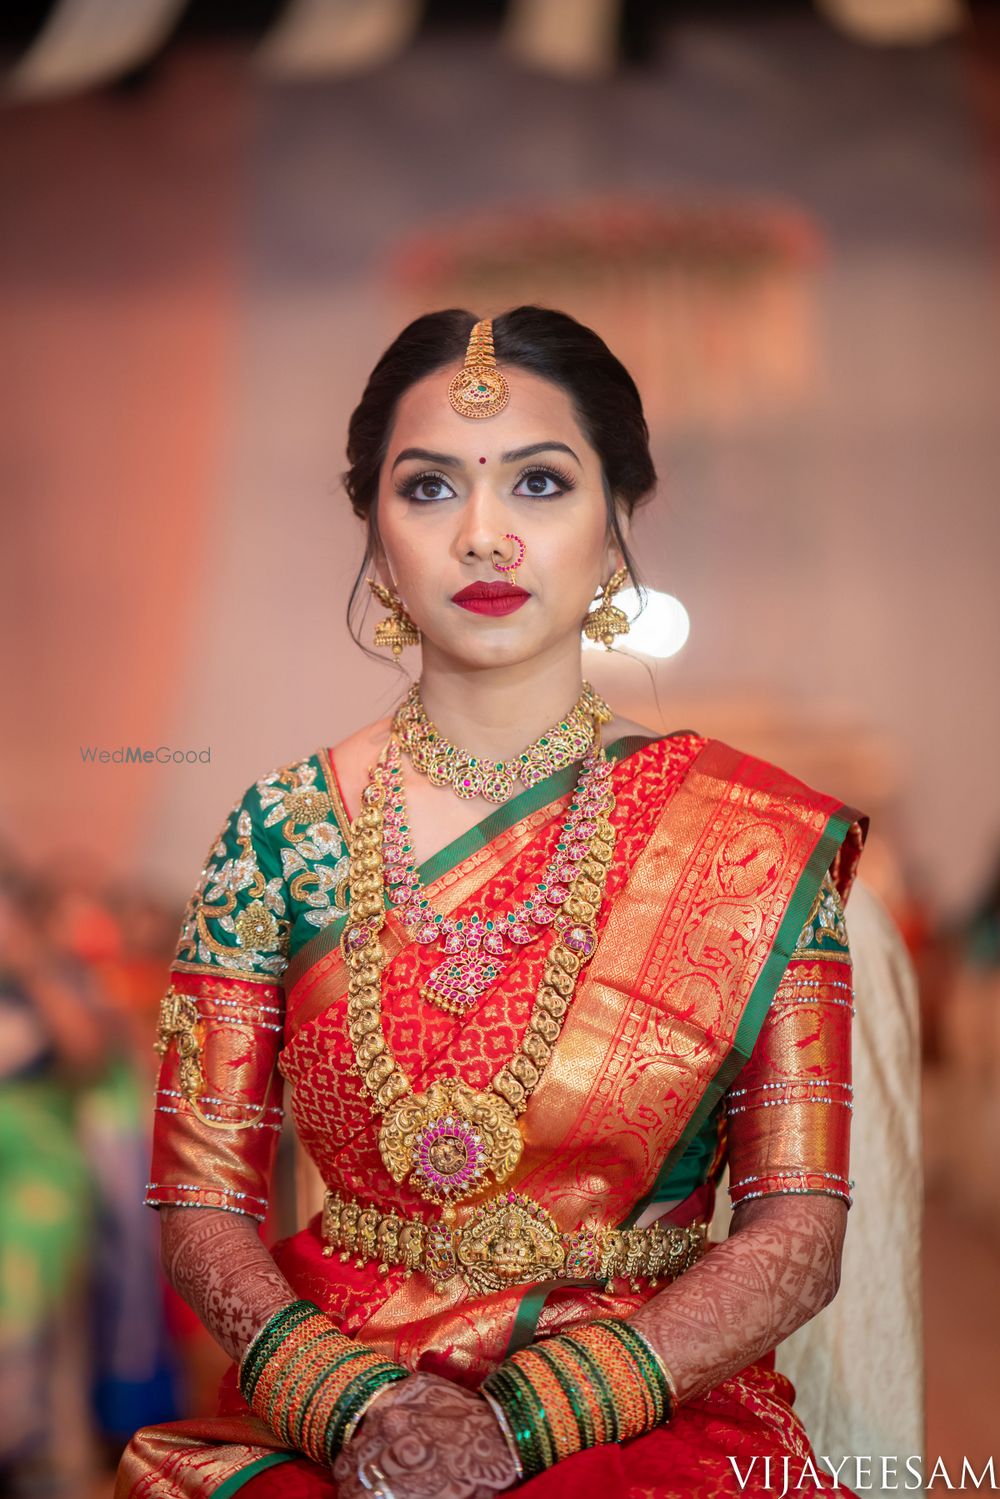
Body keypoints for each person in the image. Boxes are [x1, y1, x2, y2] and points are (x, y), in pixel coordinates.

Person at [117, 308, 867, 1498]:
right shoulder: (280, 833)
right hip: (336, 1413)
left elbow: (800, 1230)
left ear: (617, 517)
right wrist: (352, 1401)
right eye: (427, 488)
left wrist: (527, 1418)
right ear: (373, 525)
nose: (483, 535)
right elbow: (200, 1196)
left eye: (538, 482)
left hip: (642, 1411)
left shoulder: (749, 839)